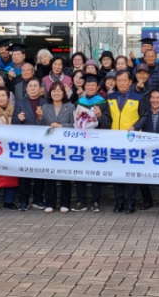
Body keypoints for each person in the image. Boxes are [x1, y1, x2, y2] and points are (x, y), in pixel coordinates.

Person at [71, 74, 112, 213]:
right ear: (84, 87)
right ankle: (81, 201)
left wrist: (100, 116)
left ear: (97, 87)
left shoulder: (102, 102)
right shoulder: (79, 102)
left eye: (92, 85)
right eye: (87, 85)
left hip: (96, 142)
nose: (90, 87)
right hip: (81, 142)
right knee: (80, 171)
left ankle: (96, 201)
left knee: (95, 171)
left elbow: (108, 124)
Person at [107, 70, 147, 213]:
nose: (122, 83)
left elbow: (144, 116)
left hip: (132, 141)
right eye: (119, 81)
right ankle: (119, 202)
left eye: (125, 81)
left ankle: (130, 203)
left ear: (130, 82)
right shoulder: (110, 98)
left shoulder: (138, 98)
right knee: (117, 173)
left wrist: (135, 127)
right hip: (114, 141)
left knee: (130, 173)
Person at [37, 82, 75, 214]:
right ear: (50, 93)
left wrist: (61, 126)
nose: (56, 93)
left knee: (65, 175)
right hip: (50, 146)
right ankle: (50, 203)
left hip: (65, 146)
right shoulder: (45, 107)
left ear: (63, 93)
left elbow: (75, 125)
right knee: (50, 175)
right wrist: (40, 117)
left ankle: (65, 203)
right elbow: (39, 127)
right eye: (54, 91)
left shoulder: (70, 107)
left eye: (59, 90)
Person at [139, 88, 159, 211]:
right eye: (153, 97)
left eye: (158, 98)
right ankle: (147, 200)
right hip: (146, 150)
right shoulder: (144, 112)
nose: (155, 100)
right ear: (149, 99)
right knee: (141, 174)